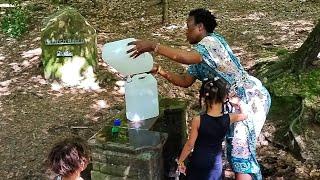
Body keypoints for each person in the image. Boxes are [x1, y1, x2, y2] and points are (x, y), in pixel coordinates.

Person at [128, 8, 271, 180]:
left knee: (241, 155)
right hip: (233, 101)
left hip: (247, 99)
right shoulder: (199, 58)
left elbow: (186, 58)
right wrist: (159, 70)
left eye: (188, 26)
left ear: (200, 27)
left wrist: (154, 46)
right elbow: (184, 81)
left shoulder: (211, 42)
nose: (186, 31)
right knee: (234, 151)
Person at [177, 78, 247, 180]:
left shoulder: (198, 120)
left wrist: (180, 161)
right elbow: (245, 115)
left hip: (198, 160)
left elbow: (190, 144)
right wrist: (238, 104)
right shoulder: (229, 118)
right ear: (224, 98)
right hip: (215, 163)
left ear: (205, 97)